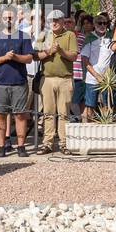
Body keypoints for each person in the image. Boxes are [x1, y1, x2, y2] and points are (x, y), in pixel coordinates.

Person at [0, 5, 34, 157]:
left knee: (20, 115)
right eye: (5, 17)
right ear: (1, 18)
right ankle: (1, 147)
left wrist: (15, 57)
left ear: (15, 18)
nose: (7, 19)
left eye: (10, 17)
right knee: (0, 115)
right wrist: (4, 58)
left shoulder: (23, 36)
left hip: (19, 82)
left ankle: (20, 147)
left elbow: (29, 58)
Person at [35, 10, 77, 153]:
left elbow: (74, 56)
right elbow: (35, 55)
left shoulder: (70, 35)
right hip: (47, 79)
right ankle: (47, 143)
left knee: (64, 113)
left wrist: (61, 52)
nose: (53, 23)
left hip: (65, 79)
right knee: (48, 113)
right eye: (51, 20)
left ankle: (63, 143)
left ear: (62, 21)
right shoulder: (43, 35)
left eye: (56, 20)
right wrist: (49, 51)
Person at [80, 14, 114, 122]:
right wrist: (96, 75)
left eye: (105, 23)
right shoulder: (89, 38)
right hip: (92, 77)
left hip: (108, 78)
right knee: (90, 105)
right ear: (94, 24)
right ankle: (89, 130)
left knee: (106, 104)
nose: (102, 25)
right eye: (100, 23)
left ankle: (106, 128)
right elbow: (85, 60)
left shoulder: (111, 37)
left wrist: (109, 74)